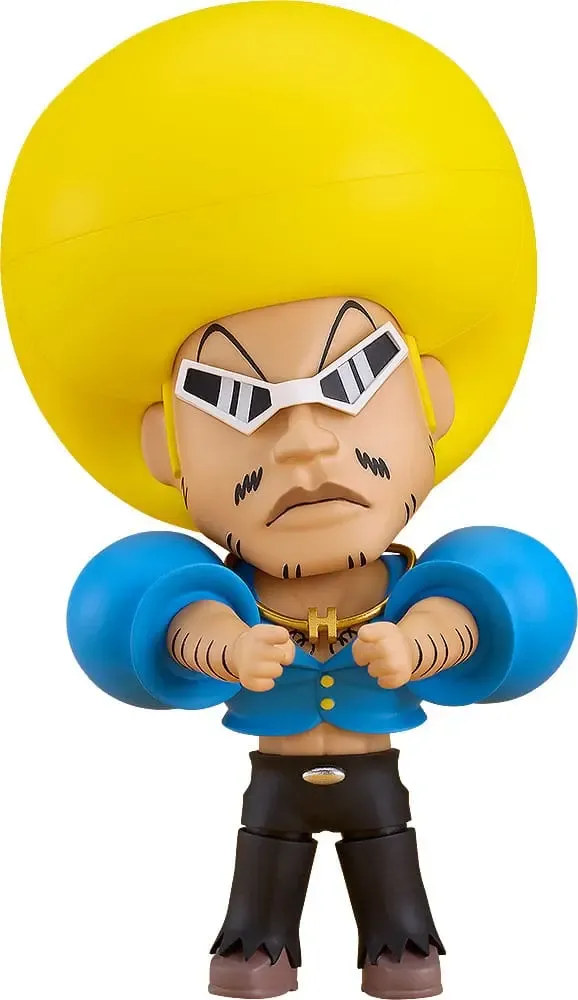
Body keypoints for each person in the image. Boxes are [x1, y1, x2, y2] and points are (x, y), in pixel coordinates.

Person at [2, 4, 575, 998]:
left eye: (351, 379)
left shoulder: (429, 577)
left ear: (433, 399)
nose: (304, 440)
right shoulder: (210, 589)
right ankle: (256, 948)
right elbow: (147, 615)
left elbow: (502, 605)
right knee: (264, 860)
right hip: (271, 771)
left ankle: (399, 949)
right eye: (235, 403)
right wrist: (221, 648)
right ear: (163, 449)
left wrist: (423, 644)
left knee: (387, 855)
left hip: (372, 765)